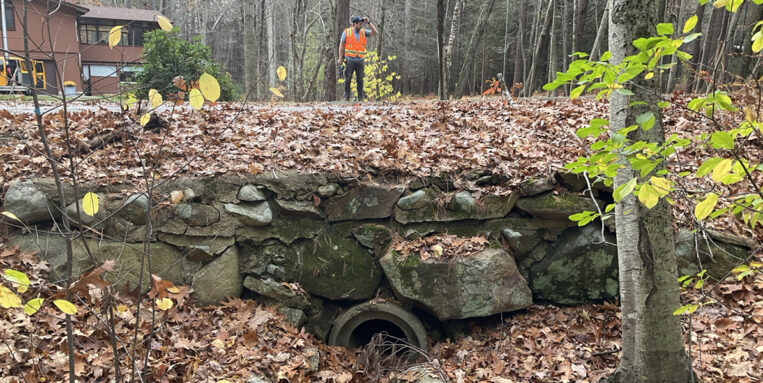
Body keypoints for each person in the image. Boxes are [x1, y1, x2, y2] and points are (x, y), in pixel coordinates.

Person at [338, 15, 377, 101]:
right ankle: (346, 97)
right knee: (348, 79)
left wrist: (369, 23)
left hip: (360, 60)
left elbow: (375, 33)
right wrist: (340, 58)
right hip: (349, 60)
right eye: (360, 24)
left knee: (360, 79)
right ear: (355, 24)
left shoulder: (363, 32)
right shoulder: (347, 32)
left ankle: (360, 98)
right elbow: (341, 46)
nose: (361, 25)